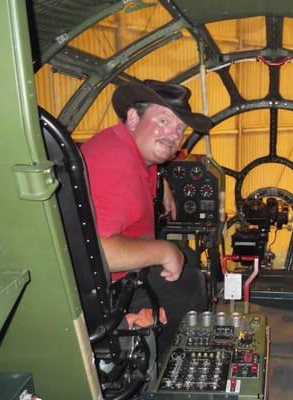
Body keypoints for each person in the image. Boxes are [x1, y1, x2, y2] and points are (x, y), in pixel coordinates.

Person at [81, 79, 212, 353]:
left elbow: (144, 173)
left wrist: (163, 183)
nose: (174, 135)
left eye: (180, 128)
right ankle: (164, 367)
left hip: (119, 273)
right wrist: (163, 251)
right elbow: (98, 253)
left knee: (185, 255)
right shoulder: (115, 160)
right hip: (104, 289)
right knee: (191, 284)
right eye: (164, 121)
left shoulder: (135, 151)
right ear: (132, 117)